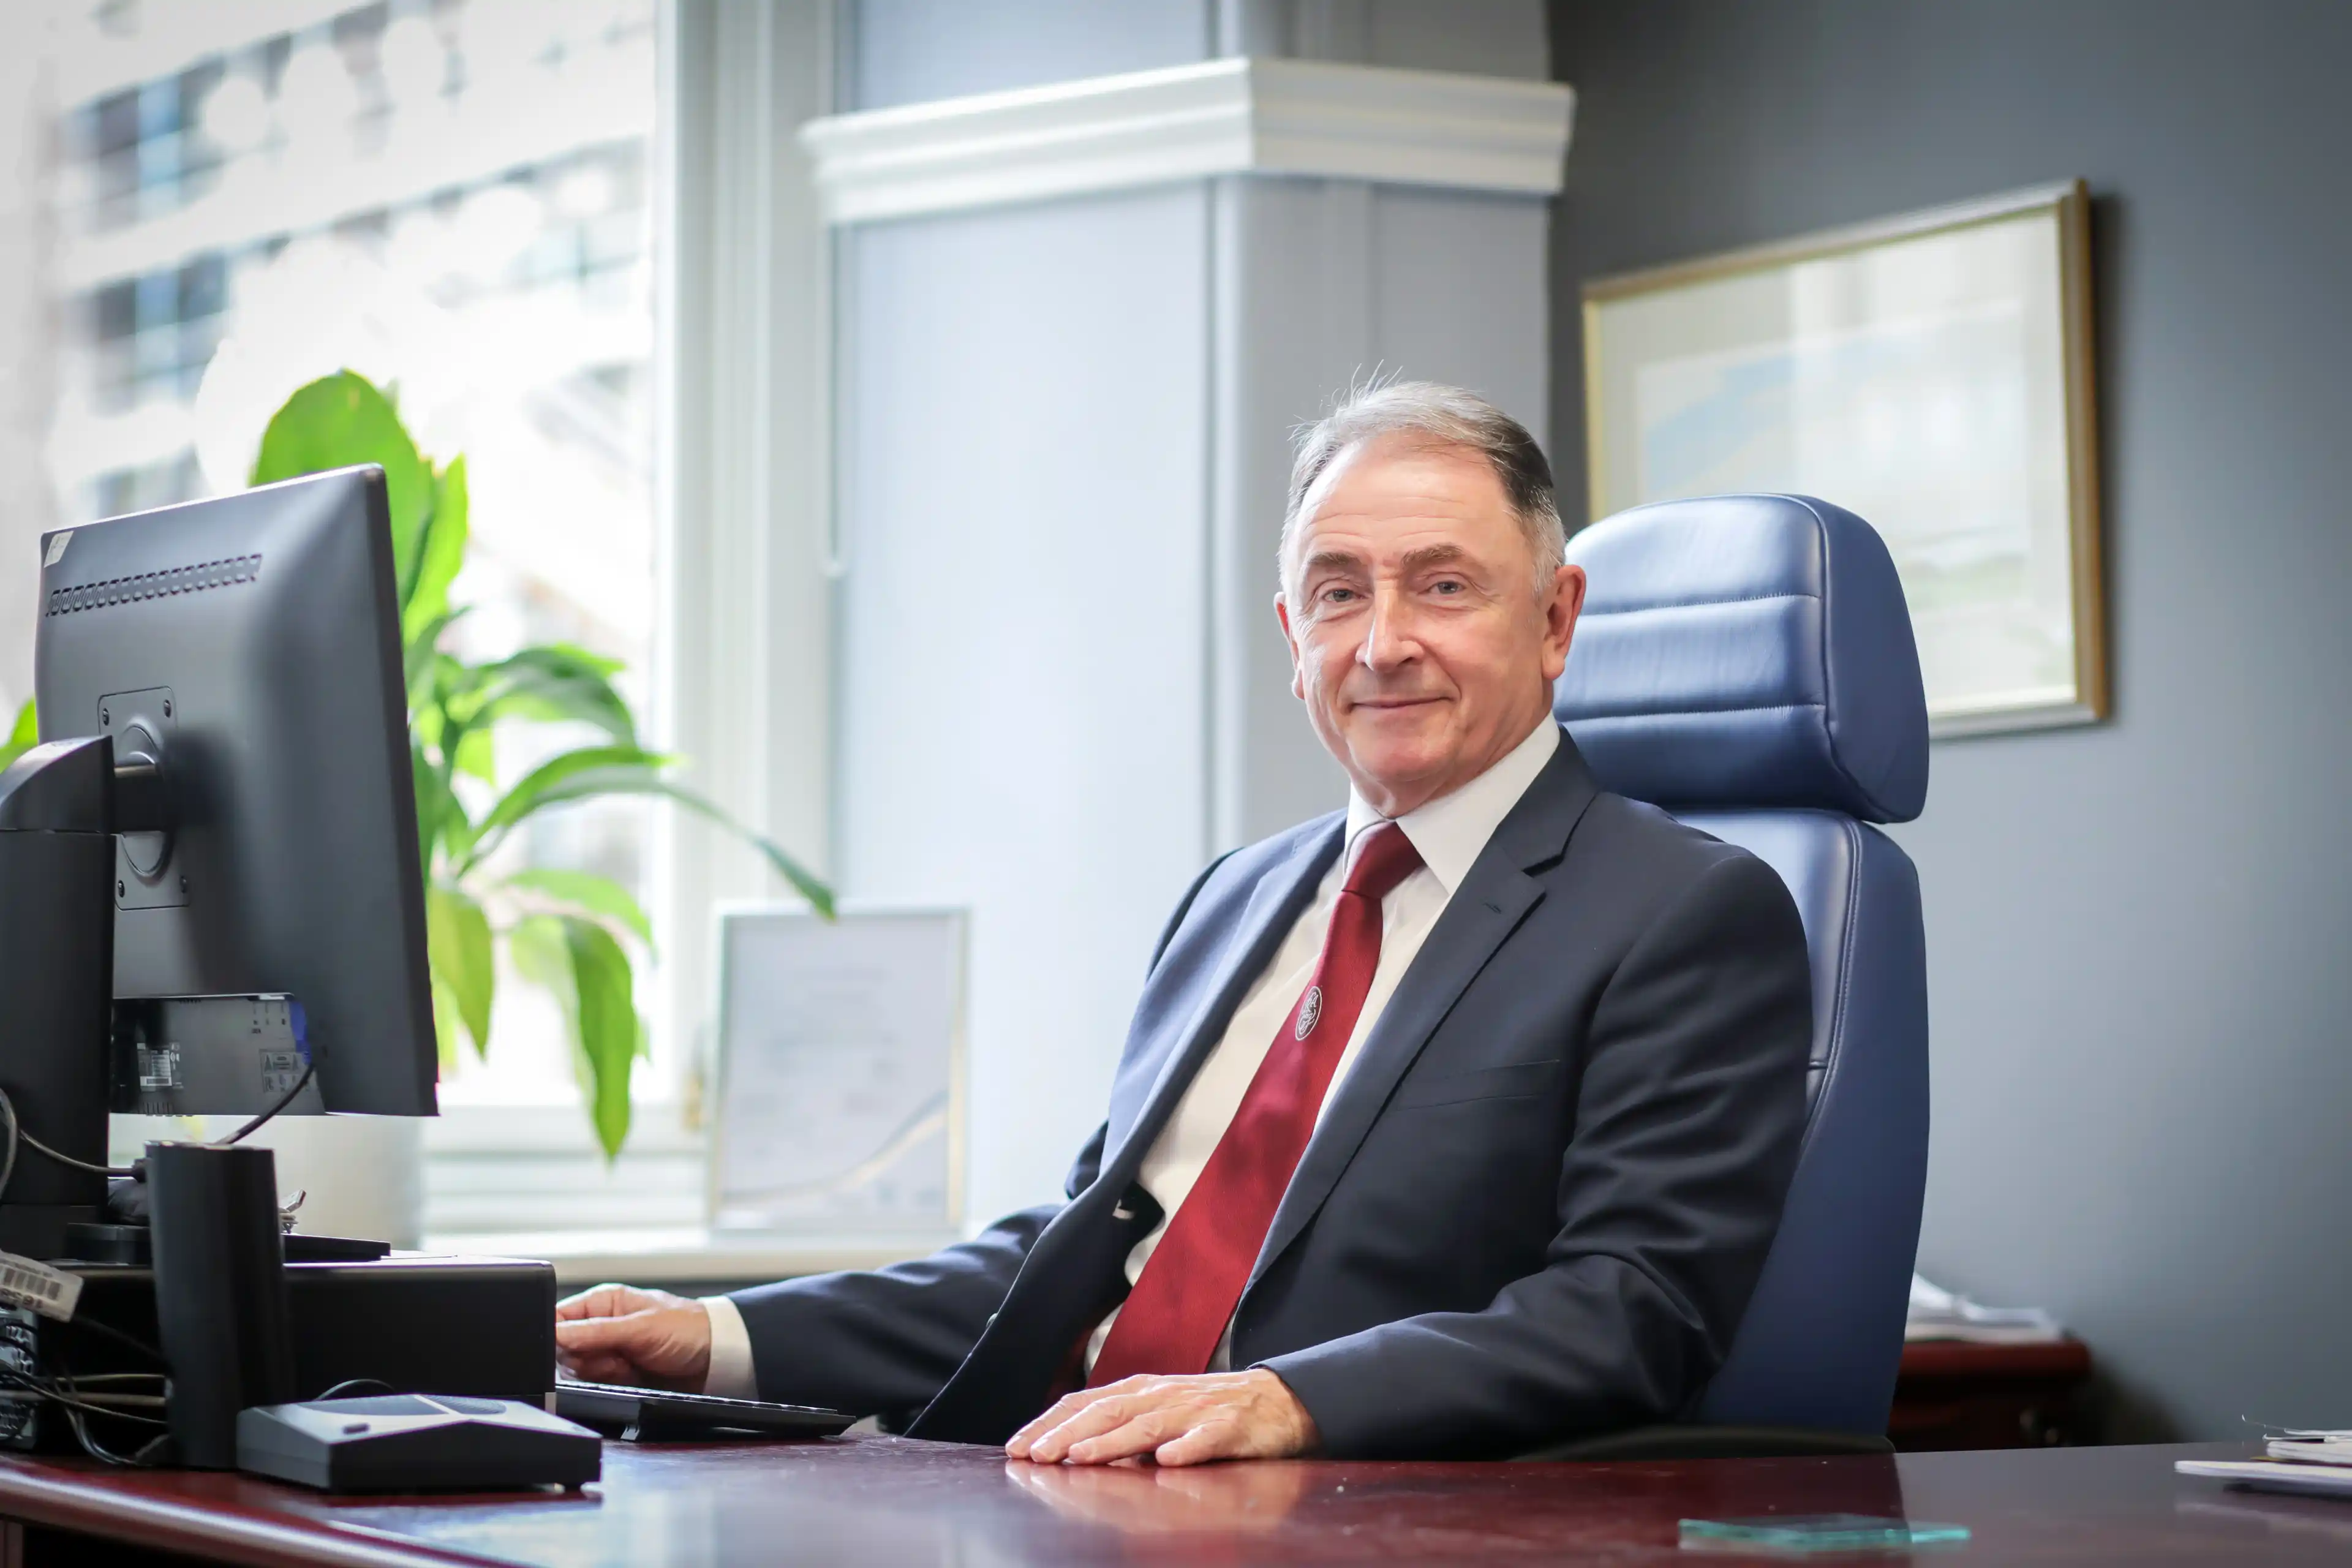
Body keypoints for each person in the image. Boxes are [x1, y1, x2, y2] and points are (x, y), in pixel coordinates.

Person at [556, 382, 1812, 1465]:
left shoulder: (1682, 911)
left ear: (1553, 619)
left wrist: (1287, 1402)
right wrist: (718, 1333)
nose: (1382, 643)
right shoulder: (1235, 901)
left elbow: (1632, 1308)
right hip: (1054, 1477)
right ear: (1290, 637)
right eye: (1336, 593)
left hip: (1329, 1510)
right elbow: (1077, 1268)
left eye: (1442, 585)